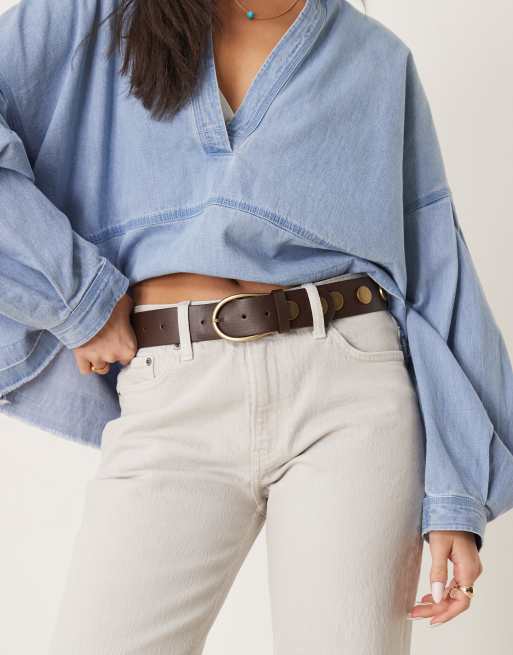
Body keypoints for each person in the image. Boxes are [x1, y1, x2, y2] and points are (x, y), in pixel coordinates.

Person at [0, 0, 511, 652]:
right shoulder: (97, 17)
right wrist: (76, 296)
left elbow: (434, 273)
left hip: (352, 392)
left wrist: (455, 494)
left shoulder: (374, 59)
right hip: (172, 392)